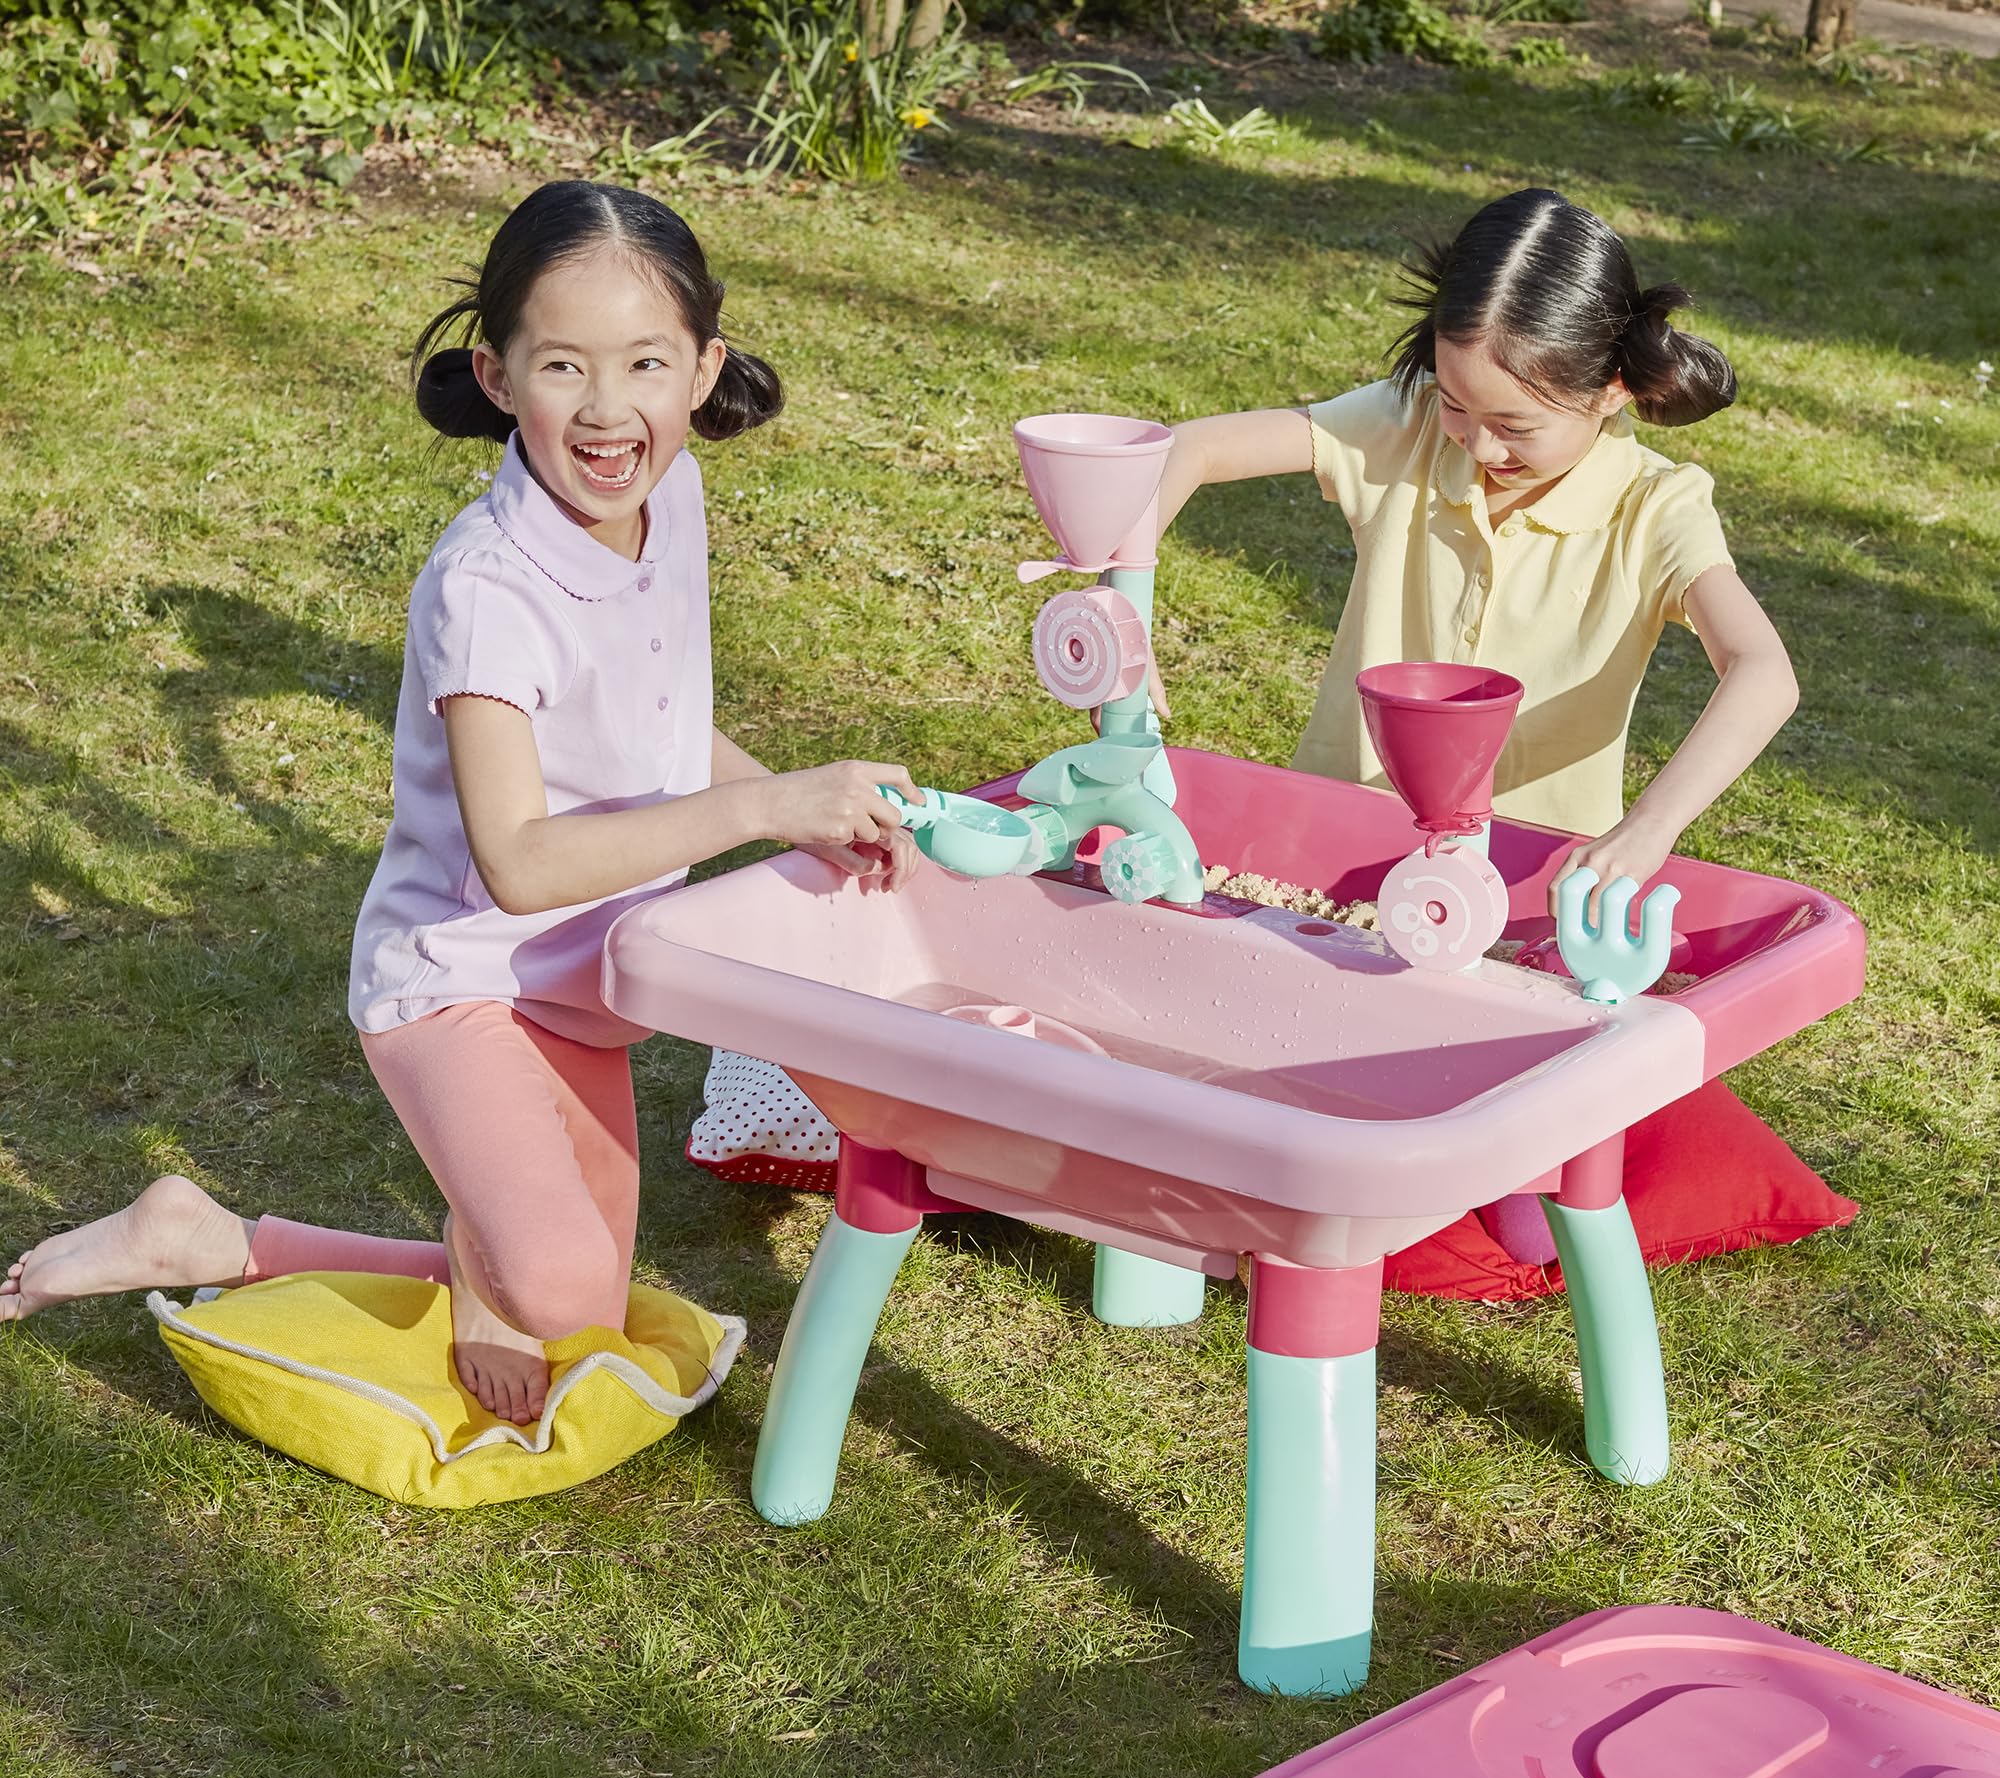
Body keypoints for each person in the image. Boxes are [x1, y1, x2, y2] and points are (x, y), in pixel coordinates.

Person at [1, 181, 923, 1425]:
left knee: (587, 1302)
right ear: (496, 375)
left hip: (587, 980)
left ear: (703, 368)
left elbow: (659, 727)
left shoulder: (673, 501)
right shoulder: (486, 589)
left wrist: (806, 812)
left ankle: (203, 1229)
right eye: (563, 365)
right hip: (458, 976)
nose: (607, 410)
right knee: (548, 1285)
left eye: (646, 363)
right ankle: (307, 1251)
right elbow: (519, 865)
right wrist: (767, 810)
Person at [1152, 186, 1798, 912]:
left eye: (1516, 426)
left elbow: (1763, 672)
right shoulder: (1406, 426)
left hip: (1531, 895)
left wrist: (1649, 827)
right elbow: (1190, 448)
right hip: (1322, 867)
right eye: (1457, 403)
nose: (1481, 446)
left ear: (1612, 390)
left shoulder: (1655, 509)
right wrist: (1124, 600)